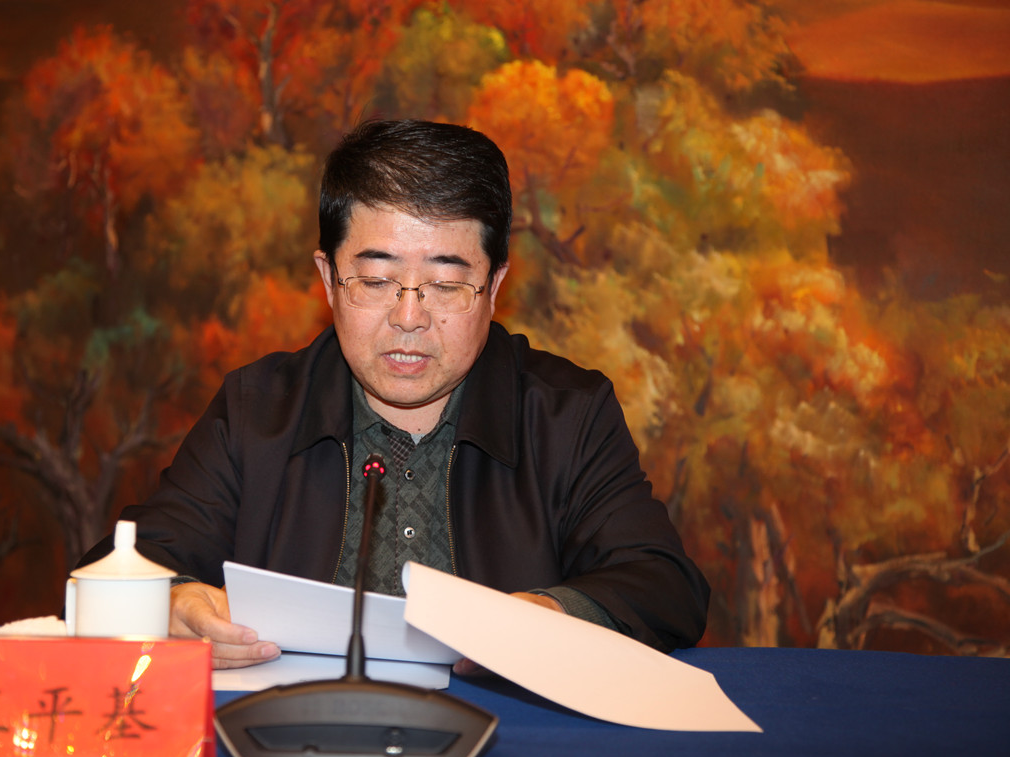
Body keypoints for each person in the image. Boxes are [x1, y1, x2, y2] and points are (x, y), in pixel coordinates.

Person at [76, 119, 709, 671]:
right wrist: (177, 600)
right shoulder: (258, 410)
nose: (409, 317)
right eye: (376, 280)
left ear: (494, 288)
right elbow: (122, 564)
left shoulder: (567, 413)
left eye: (446, 285)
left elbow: (663, 585)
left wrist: (544, 615)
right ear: (329, 279)